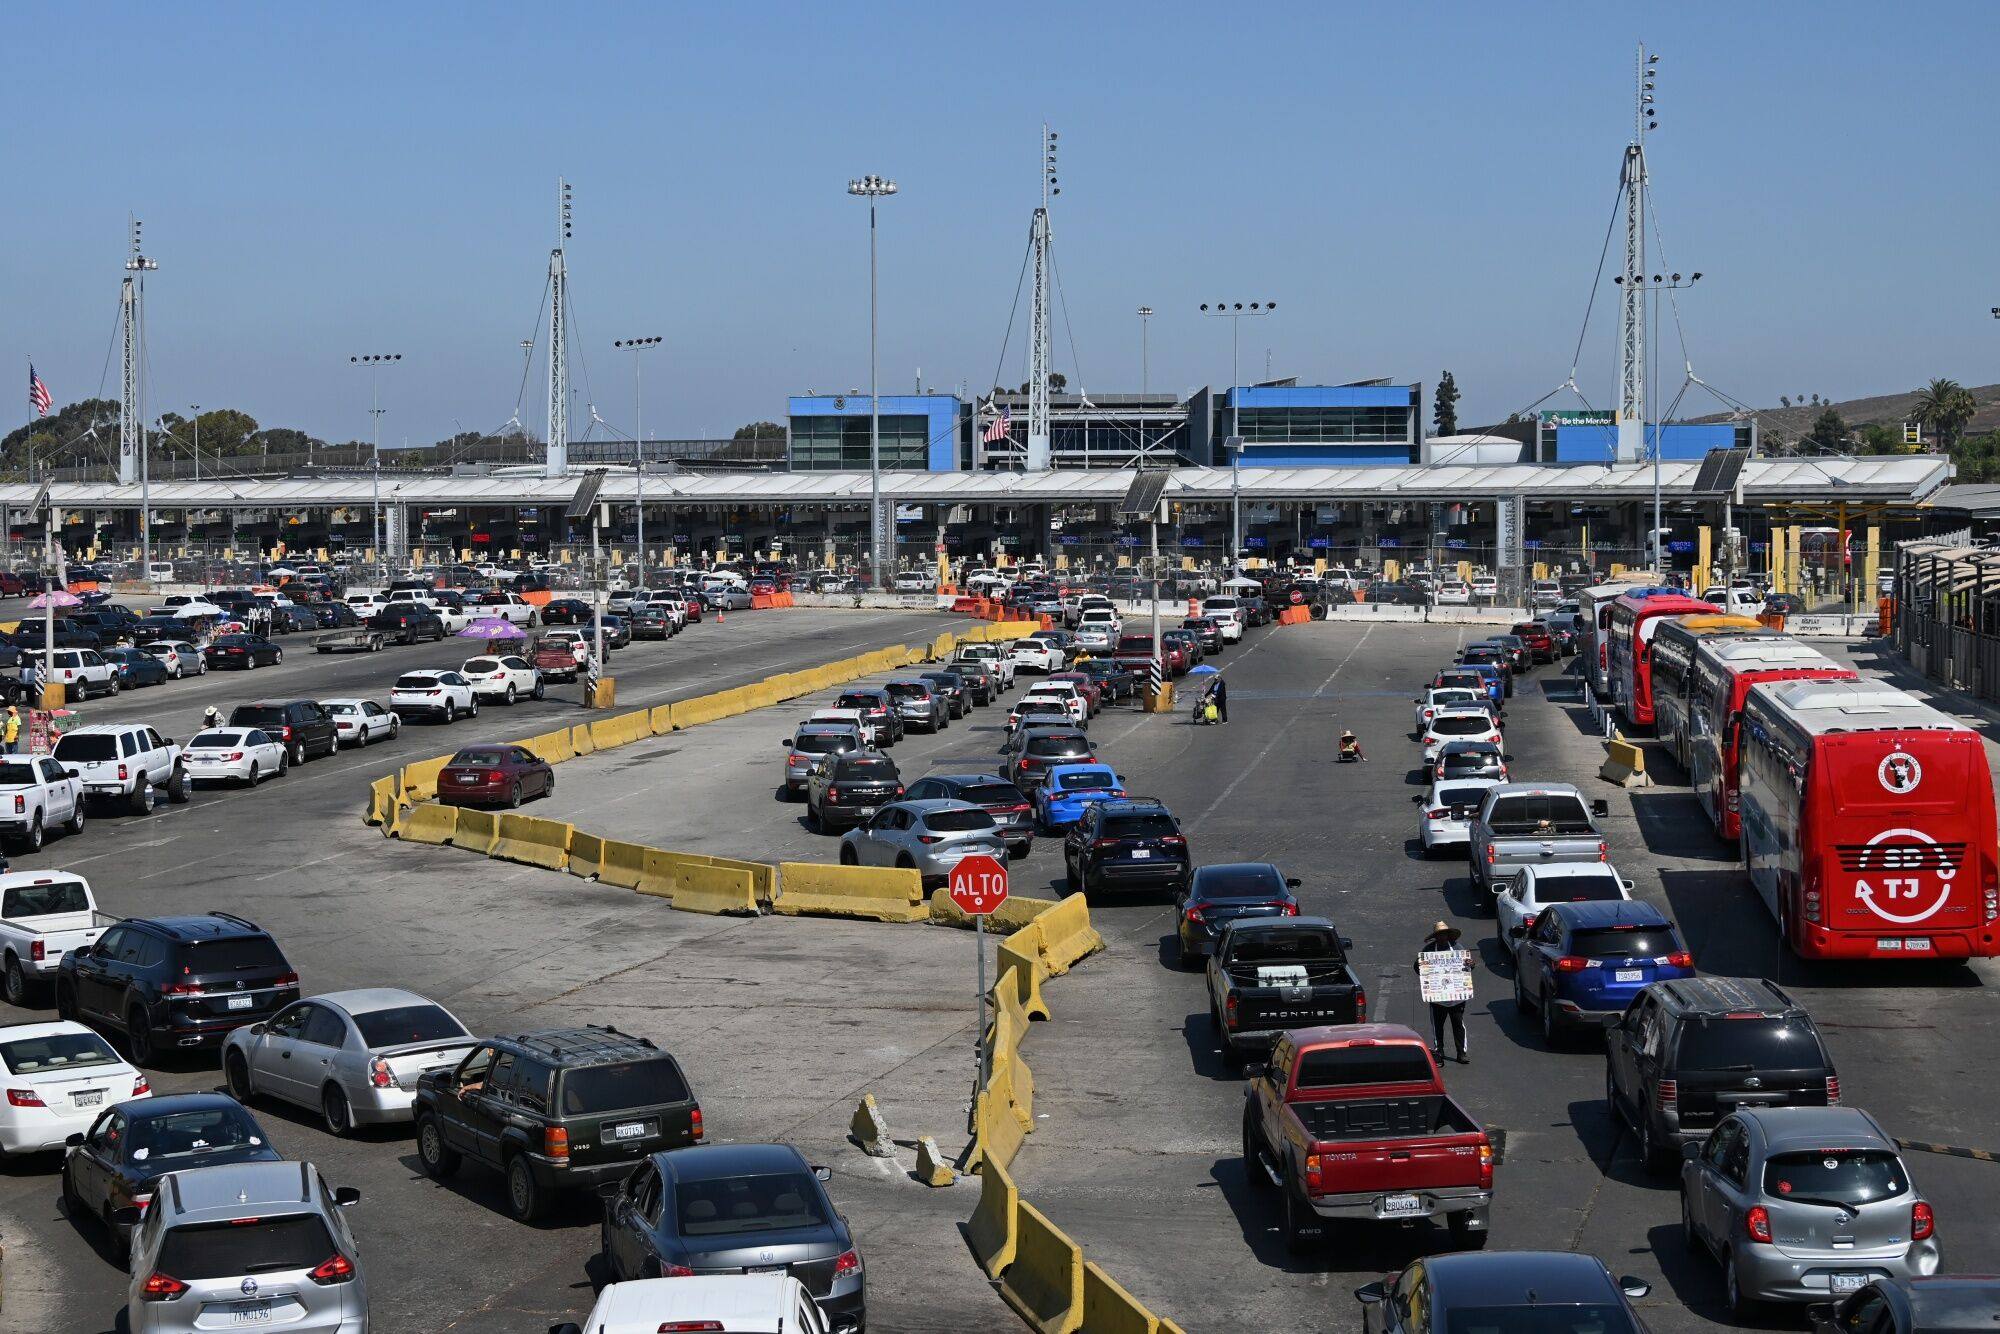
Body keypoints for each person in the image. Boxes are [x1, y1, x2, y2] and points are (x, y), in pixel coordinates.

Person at [1415, 921, 1470, 1063]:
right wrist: (1420, 964)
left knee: (1458, 1024)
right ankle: (1439, 1051)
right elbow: (1417, 969)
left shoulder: (1458, 948)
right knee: (1437, 1026)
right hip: (1437, 998)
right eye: (1439, 935)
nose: (1442, 937)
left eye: (1444, 934)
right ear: (1436, 937)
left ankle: (1461, 1053)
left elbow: (1467, 967)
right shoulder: (1428, 951)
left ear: (1448, 935)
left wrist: (1471, 964)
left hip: (1456, 998)